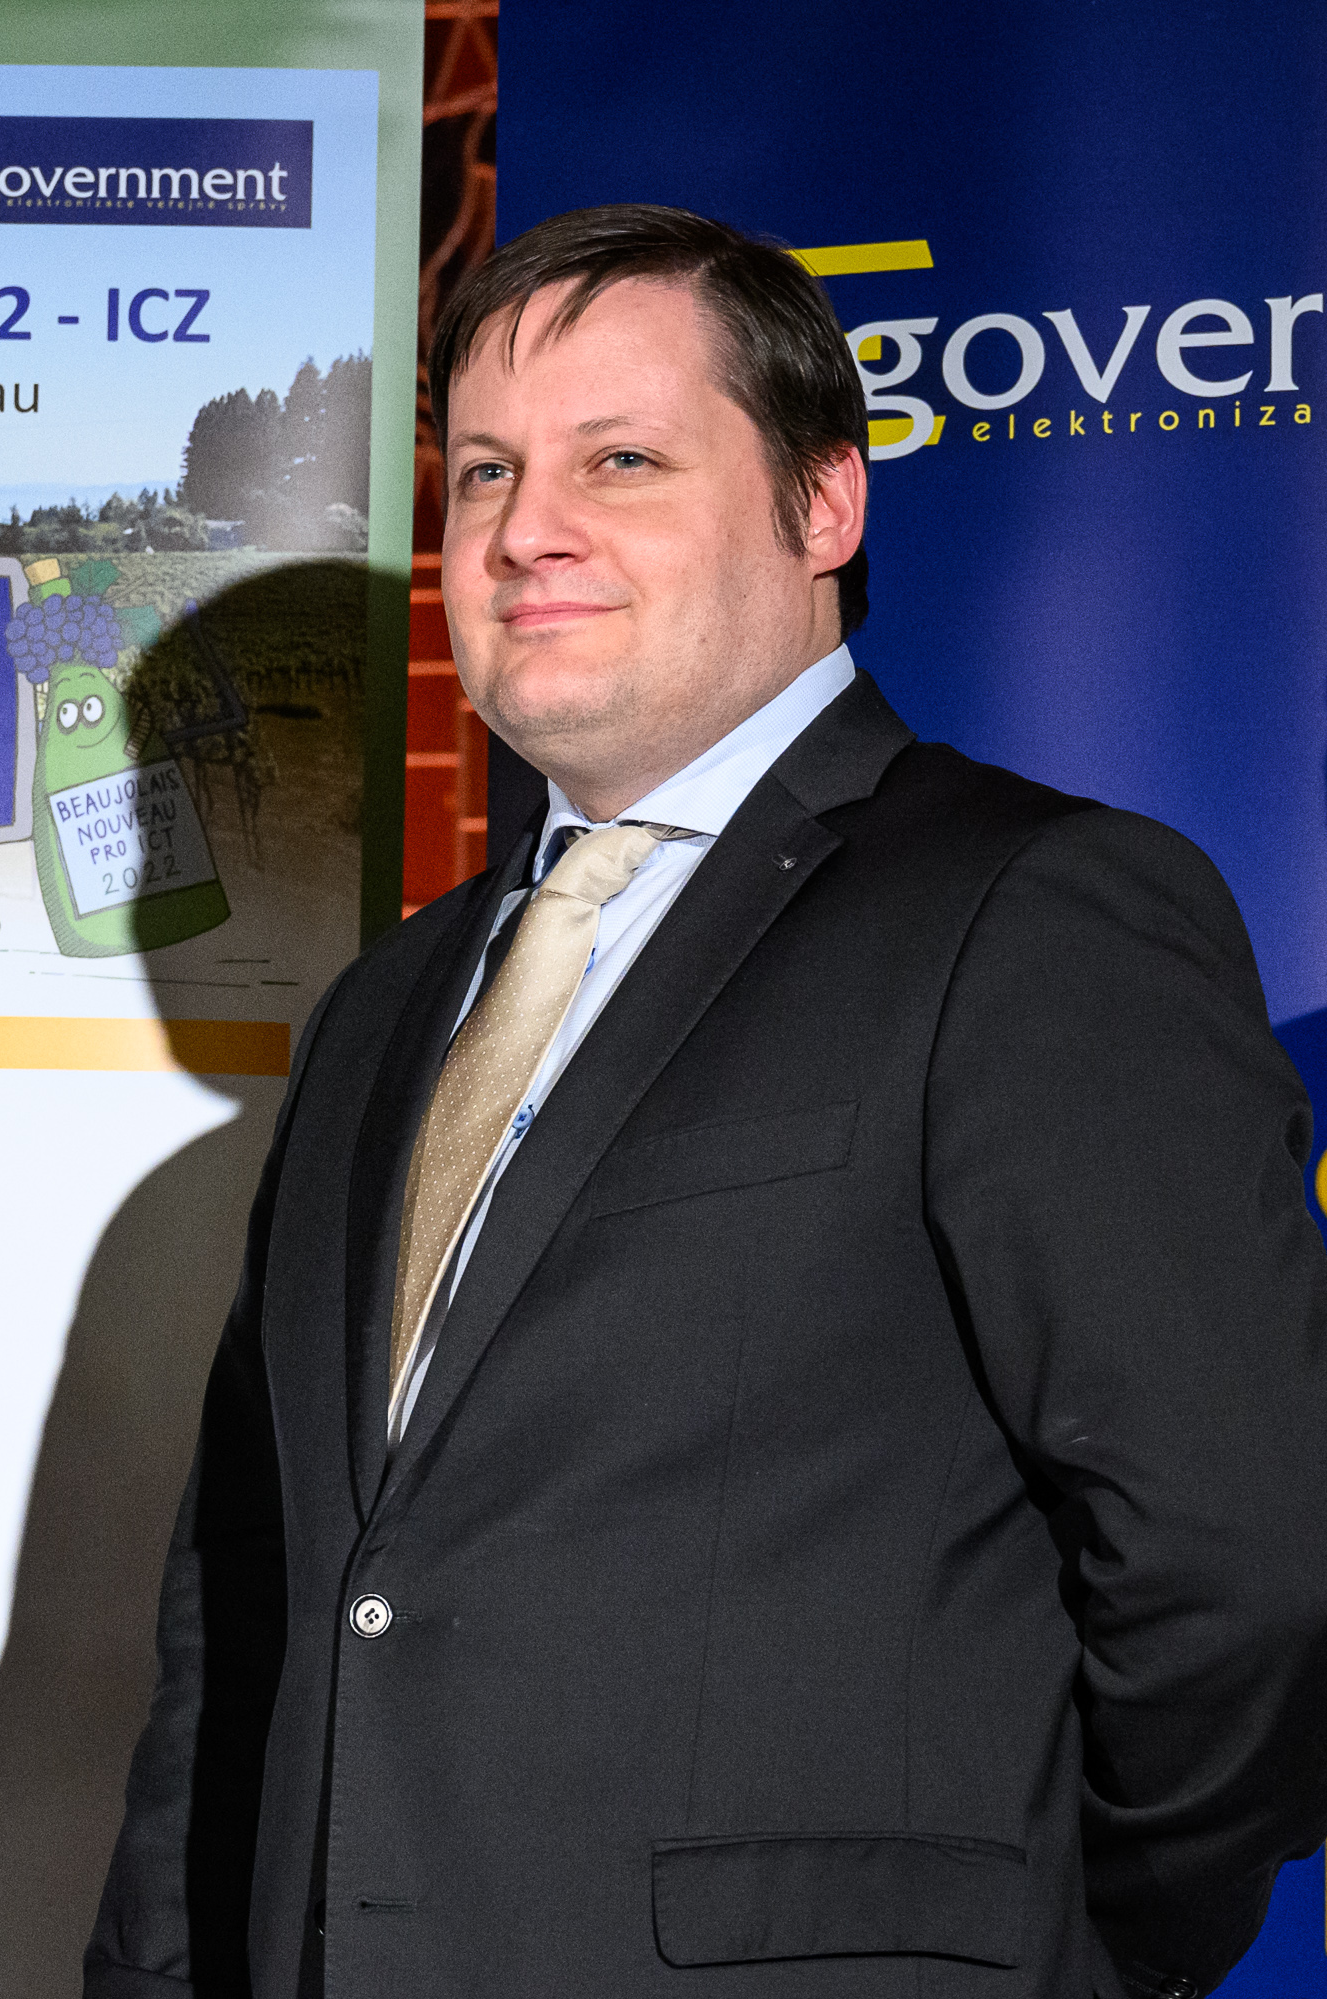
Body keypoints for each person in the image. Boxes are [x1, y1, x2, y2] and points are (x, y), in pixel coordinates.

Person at [86, 204, 1327, 1999]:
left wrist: (1075, 1936)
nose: (528, 529)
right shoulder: (383, 1008)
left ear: (825, 505)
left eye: (623, 460)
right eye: (488, 471)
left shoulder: (1033, 913)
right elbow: (253, 1592)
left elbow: (1248, 1558)